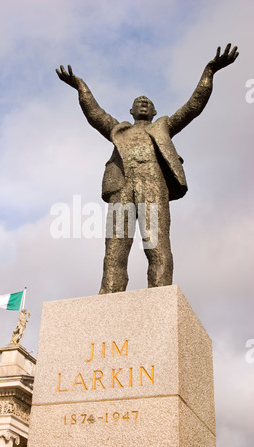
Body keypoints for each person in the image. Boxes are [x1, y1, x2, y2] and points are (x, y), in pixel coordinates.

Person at [56, 44, 239, 294]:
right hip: (122, 186)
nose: (143, 103)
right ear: (131, 111)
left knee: (156, 244)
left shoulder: (163, 126)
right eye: (138, 102)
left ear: (154, 112)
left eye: (148, 102)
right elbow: (95, 114)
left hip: (153, 185)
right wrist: (81, 87)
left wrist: (209, 73)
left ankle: (159, 294)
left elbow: (192, 107)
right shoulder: (119, 129)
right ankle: (109, 295)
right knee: (114, 249)